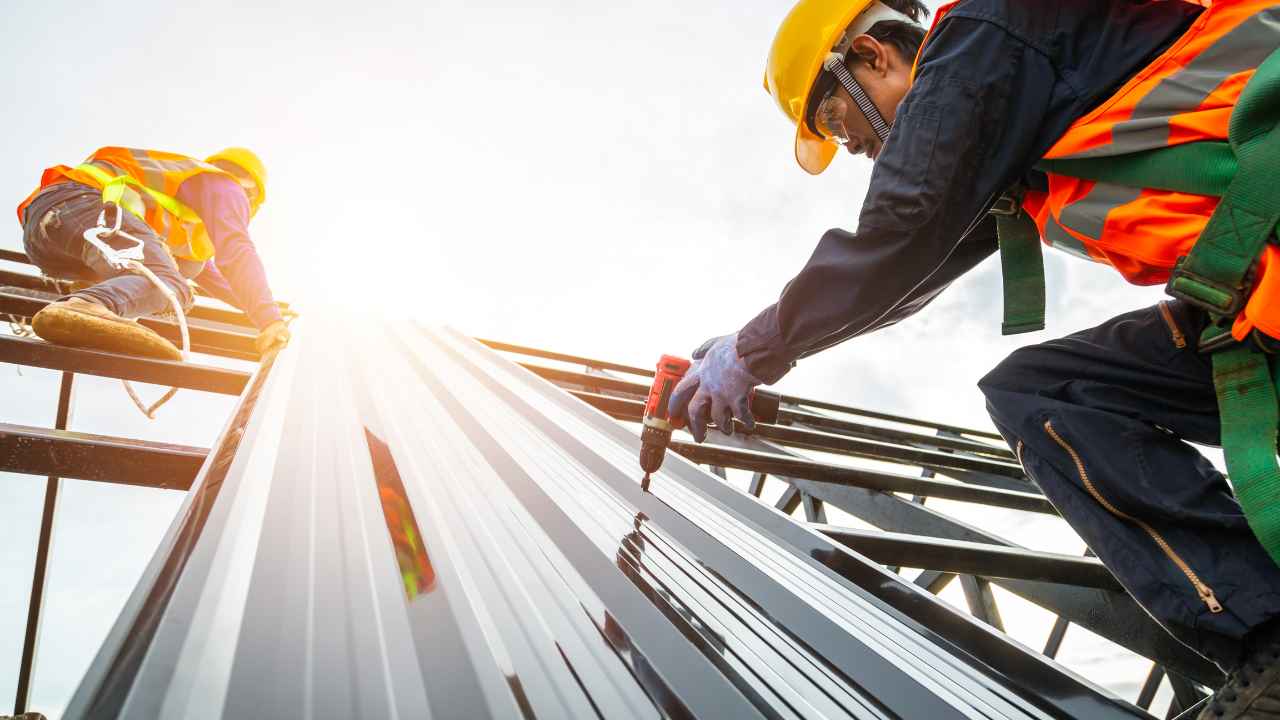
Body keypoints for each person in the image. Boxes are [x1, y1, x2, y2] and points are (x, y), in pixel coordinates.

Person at [668, 1, 1280, 716]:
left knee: (1045, 391)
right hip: (1258, 305)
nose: (858, 147)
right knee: (1048, 393)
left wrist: (757, 348)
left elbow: (905, 228)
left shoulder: (990, 30)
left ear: (871, 55)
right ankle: (1267, 643)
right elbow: (908, 272)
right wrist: (759, 345)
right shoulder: (1014, 116)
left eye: (840, 122)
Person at [15, 146, 290, 360]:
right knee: (170, 287)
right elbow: (236, 249)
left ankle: (95, 293)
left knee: (181, 272)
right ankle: (87, 304)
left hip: (48, 236)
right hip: (82, 207)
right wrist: (270, 321)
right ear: (251, 192)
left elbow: (217, 279)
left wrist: (269, 309)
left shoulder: (186, 216)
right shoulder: (224, 185)